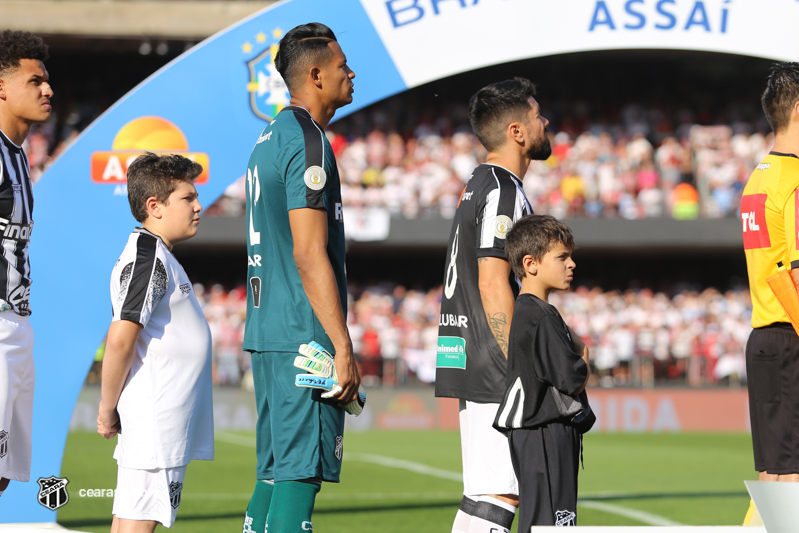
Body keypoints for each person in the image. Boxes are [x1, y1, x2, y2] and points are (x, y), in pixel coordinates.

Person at [241, 22, 360, 533]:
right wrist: (341, 343)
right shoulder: (308, 142)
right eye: (341, 66)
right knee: (298, 475)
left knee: (273, 473)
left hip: (268, 333)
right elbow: (310, 253)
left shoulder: (267, 138)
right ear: (315, 74)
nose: (350, 73)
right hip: (303, 336)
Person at [435, 77, 559, 533]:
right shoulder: (503, 189)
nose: (545, 122)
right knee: (500, 492)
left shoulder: (480, 182)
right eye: (537, 115)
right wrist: (518, 362)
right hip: (492, 359)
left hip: (472, 350)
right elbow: (492, 282)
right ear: (517, 131)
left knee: (486, 491)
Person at [97, 153, 214, 531]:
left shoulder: (159, 254)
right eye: (187, 198)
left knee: (129, 521)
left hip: (161, 418)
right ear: (155, 207)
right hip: (156, 417)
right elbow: (120, 338)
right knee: (137, 524)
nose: (198, 207)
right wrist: (105, 409)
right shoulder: (147, 257)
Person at [493, 214, 591, 530]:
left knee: (543, 519)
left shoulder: (531, 310)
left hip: (535, 435)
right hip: (545, 433)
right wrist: (585, 355)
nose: (571, 264)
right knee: (552, 522)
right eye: (562, 257)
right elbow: (571, 379)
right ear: (531, 264)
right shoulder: (540, 314)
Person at [741, 62, 799, 525]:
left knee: (772, 481)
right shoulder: (794, 180)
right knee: (789, 486)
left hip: (766, 337)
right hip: (790, 335)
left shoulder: (757, 178)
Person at [0, 30, 51, 497]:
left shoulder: (19, 157)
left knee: (3, 474)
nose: (47, 89)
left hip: (17, 323)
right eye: (35, 81)